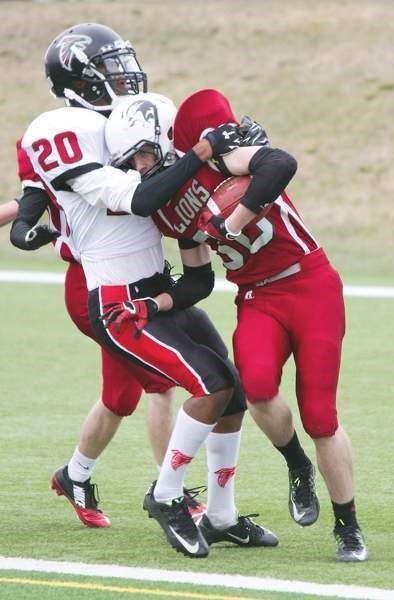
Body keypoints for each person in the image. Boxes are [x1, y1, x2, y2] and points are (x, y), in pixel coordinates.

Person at [19, 24, 278, 559]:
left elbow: (177, 198)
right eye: (108, 68)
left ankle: (223, 514)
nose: (124, 75)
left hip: (157, 288)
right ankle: (168, 496)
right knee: (199, 386)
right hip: (114, 296)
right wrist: (201, 151)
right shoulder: (59, 127)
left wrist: (230, 150)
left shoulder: (126, 120)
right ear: (78, 81)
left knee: (232, 389)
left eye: (123, 63)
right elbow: (139, 198)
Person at [104, 88, 368, 563]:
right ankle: (296, 464)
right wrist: (156, 303)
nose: (139, 168)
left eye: (144, 154)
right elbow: (200, 279)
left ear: (166, 141)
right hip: (256, 296)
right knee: (258, 388)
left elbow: (281, 163)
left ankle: (347, 525)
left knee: (320, 415)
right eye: (132, 161)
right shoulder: (166, 207)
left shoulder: (221, 156)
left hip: (309, 283)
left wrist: (234, 220)